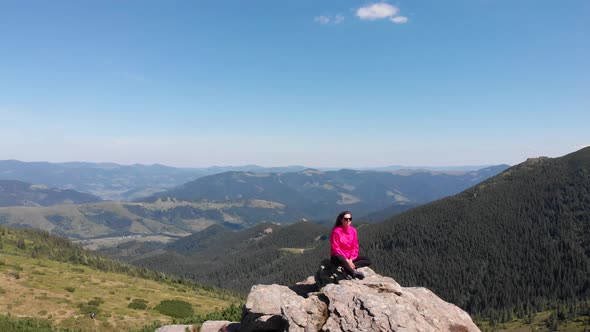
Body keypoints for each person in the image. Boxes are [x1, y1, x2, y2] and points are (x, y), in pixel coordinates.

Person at [330, 211, 372, 279]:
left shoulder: (353, 230)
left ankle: (347, 268)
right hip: (338, 257)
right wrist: (346, 259)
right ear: (341, 220)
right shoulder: (336, 231)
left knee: (368, 260)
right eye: (346, 219)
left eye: (350, 219)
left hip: (349, 257)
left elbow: (355, 246)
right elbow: (335, 247)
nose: (348, 220)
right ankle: (353, 273)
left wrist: (351, 260)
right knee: (340, 257)